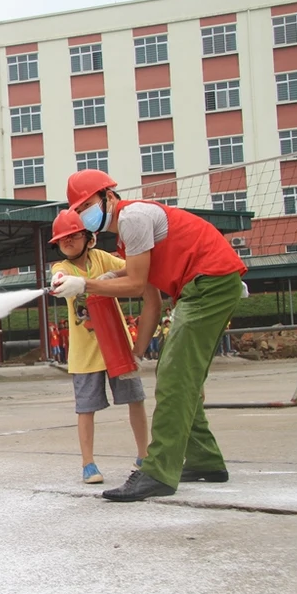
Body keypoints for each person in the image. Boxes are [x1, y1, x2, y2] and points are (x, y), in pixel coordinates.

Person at [51, 169, 247, 502]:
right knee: (178, 375)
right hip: (203, 286)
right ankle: (204, 460)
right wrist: (137, 354)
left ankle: (157, 472)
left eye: (87, 205)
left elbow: (137, 286)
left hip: (207, 284)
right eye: (79, 210)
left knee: (174, 377)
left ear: (109, 197)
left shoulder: (133, 218)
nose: (84, 214)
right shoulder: (129, 238)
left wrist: (87, 283)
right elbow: (152, 300)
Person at [49, 209, 149, 485]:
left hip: (117, 344)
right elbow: (56, 278)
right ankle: (88, 464)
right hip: (85, 352)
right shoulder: (62, 268)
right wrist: (59, 284)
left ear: (88, 237)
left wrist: (114, 274)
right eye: (62, 239)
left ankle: (144, 455)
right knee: (86, 408)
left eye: (73, 235)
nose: (67, 242)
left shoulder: (101, 258)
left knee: (135, 400)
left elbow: (133, 266)